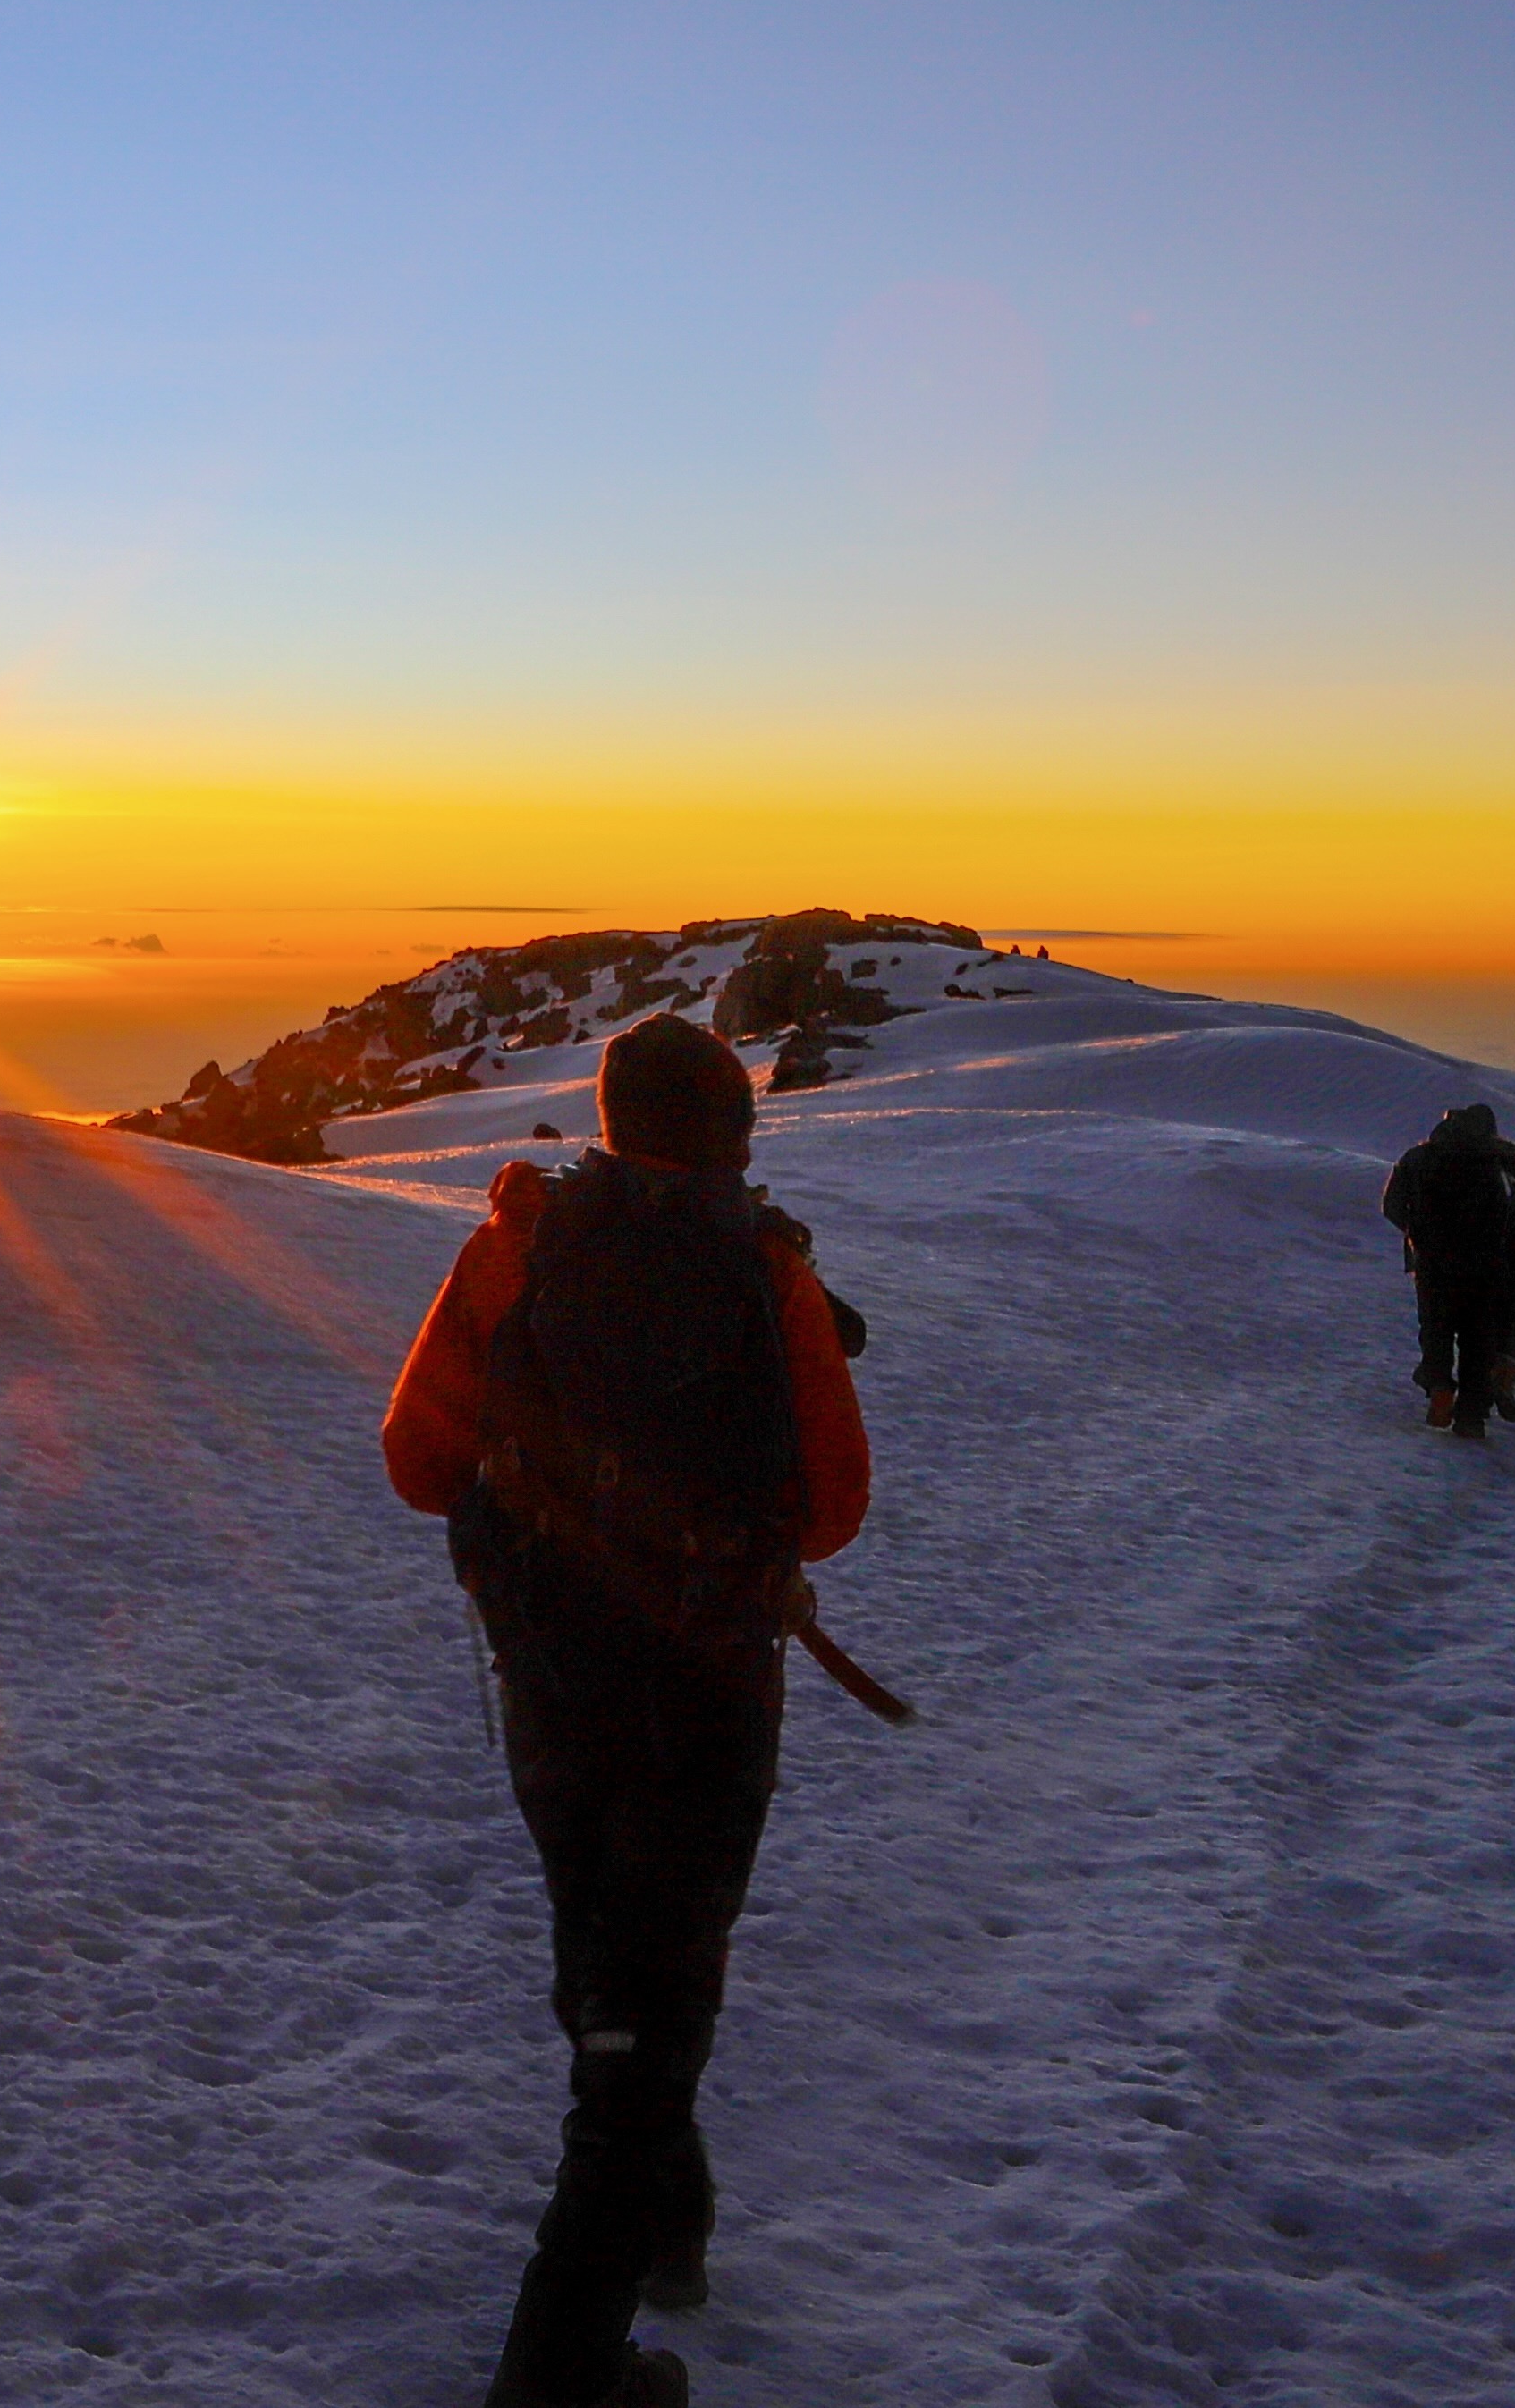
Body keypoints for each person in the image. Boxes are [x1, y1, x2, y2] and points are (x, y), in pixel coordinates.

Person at [385, 1013, 873, 2408]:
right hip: (709, 1698)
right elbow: (831, 1510)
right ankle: (559, 2375)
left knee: (608, 1971)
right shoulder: (762, 1270)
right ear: (729, 1130)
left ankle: (666, 2229)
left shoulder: (518, 1241)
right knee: (651, 2018)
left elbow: (419, 1460)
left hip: (548, 1679)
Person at [1380, 1103, 1515, 1438]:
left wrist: (1417, 1234)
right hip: (1485, 1269)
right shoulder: (1501, 1164)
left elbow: (1391, 1205)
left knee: (1436, 1330)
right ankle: (1472, 1417)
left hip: (1433, 1266)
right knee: (1477, 1342)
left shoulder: (1418, 1159)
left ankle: (1439, 1385)